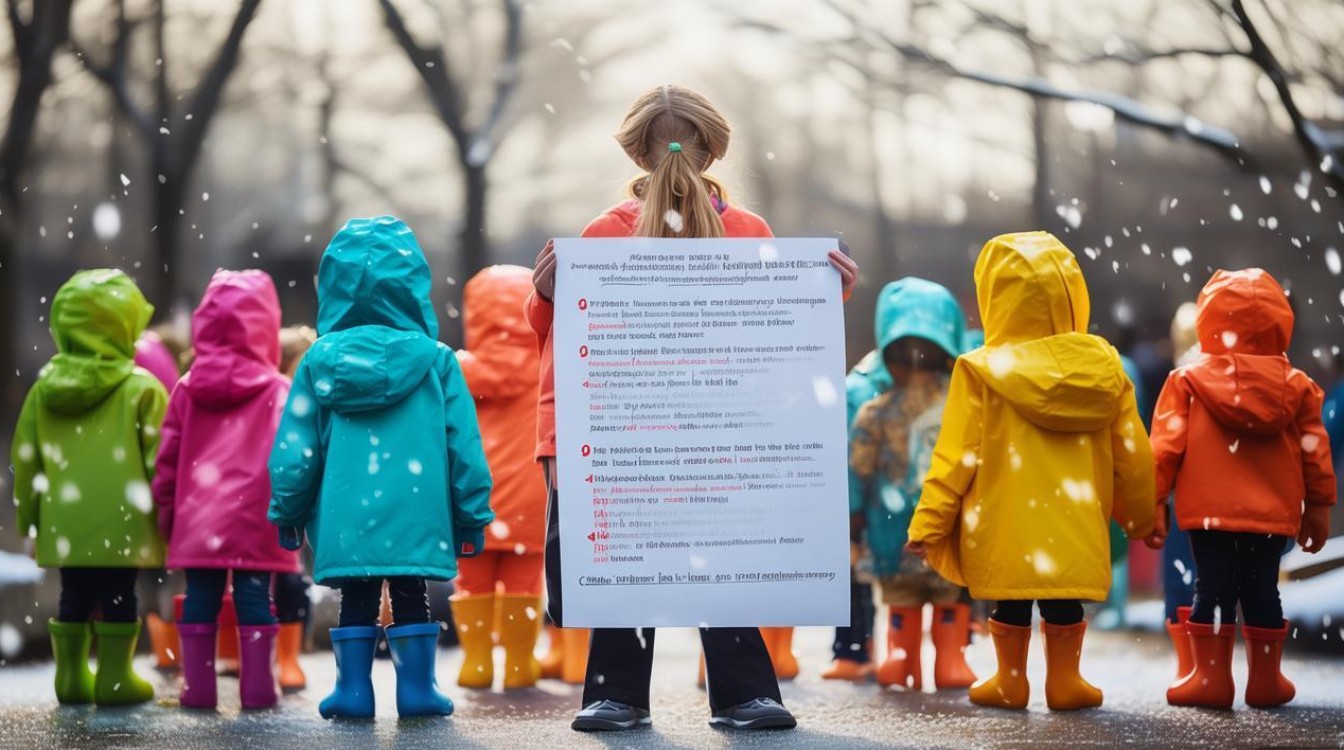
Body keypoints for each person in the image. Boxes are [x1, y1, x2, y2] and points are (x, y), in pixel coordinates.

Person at [527, 85, 859, 732]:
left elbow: (562, 347)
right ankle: (744, 694)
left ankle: (615, 693)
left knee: (624, 559)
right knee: (723, 550)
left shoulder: (602, 235)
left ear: (633, 149)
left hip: (626, 438)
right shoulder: (750, 232)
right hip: (723, 437)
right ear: (715, 149)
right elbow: (779, 340)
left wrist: (542, 302)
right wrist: (825, 299)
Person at [906, 231, 1156, 711]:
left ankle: (1010, 679)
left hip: (1005, 530)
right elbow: (1134, 455)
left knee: (1011, 602)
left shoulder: (980, 372)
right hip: (1075, 528)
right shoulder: (1107, 370)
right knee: (1064, 602)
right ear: (1071, 294)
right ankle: (1066, 681)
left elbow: (953, 459)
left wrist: (929, 524)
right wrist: (1144, 518)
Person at [268, 216, 495, 719]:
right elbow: (463, 447)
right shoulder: (438, 362)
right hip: (418, 510)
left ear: (333, 286)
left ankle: (353, 691)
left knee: (358, 596)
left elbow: (296, 449)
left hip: (349, 512)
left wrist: (288, 510)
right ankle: (417, 690)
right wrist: (473, 513)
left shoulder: (317, 362)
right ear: (413, 286)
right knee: (412, 592)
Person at [1148, 268, 1335, 710]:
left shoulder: (1187, 382)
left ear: (1208, 321)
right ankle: (1266, 681)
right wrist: (1319, 508)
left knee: (1211, 588)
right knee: (1262, 590)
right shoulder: (1299, 388)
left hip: (1209, 511)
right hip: (1272, 514)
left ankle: (1211, 680)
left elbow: (1164, 448)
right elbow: (1315, 452)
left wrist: (1153, 500)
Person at [12, 269, 168, 706]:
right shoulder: (144, 390)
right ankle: (116, 678)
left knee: (73, 593)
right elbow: (162, 463)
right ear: (127, 326)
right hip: (125, 522)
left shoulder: (44, 390)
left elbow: (26, 460)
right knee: (121, 594)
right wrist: (167, 517)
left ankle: (70, 677)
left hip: (65, 520)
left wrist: (29, 520)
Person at [152, 269, 297, 710]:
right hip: (256, 516)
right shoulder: (278, 390)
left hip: (200, 520)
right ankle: (258, 687)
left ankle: (197, 687)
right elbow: (292, 458)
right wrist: (293, 512)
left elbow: (168, 461)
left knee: (200, 599)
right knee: (255, 598)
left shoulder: (186, 389)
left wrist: (167, 515)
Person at [848, 278, 976, 692]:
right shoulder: (886, 410)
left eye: (925, 354)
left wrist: (855, 515)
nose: (916, 365)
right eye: (905, 354)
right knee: (917, 595)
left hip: (916, 529)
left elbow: (858, 469)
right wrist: (853, 515)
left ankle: (935, 658)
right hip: (921, 529)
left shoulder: (961, 403)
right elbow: (858, 467)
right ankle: (914, 658)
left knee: (941, 594)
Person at [451, 265, 549, 690]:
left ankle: (475, 663)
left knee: (471, 581)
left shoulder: (459, 370)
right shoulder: (546, 363)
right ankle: (518, 664)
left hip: (474, 495)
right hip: (532, 494)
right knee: (525, 582)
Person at [273, 324, 319, 691]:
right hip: (274, 498)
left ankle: (287, 656)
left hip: (280, 498)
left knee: (287, 577)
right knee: (283, 578)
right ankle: (282, 656)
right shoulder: (282, 394)